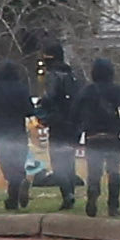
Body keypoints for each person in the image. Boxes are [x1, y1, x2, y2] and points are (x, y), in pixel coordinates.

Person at [76, 58, 120, 218]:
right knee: (114, 172)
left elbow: (75, 113)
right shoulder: (117, 90)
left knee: (94, 171)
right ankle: (113, 206)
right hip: (112, 137)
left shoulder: (86, 91)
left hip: (92, 137)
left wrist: (78, 134)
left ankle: (93, 192)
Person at [0, 61, 35, 209]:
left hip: (0, 133)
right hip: (18, 132)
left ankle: (14, 196)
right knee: (18, 163)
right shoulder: (21, 89)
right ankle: (17, 190)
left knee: (6, 164)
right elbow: (29, 110)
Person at [37, 45, 83, 210]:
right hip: (74, 126)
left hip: (58, 125)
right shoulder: (74, 76)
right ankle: (70, 191)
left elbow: (50, 98)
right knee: (69, 161)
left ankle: (67, 195)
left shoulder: (53, 76)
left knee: (58, 163)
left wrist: (41, 107)